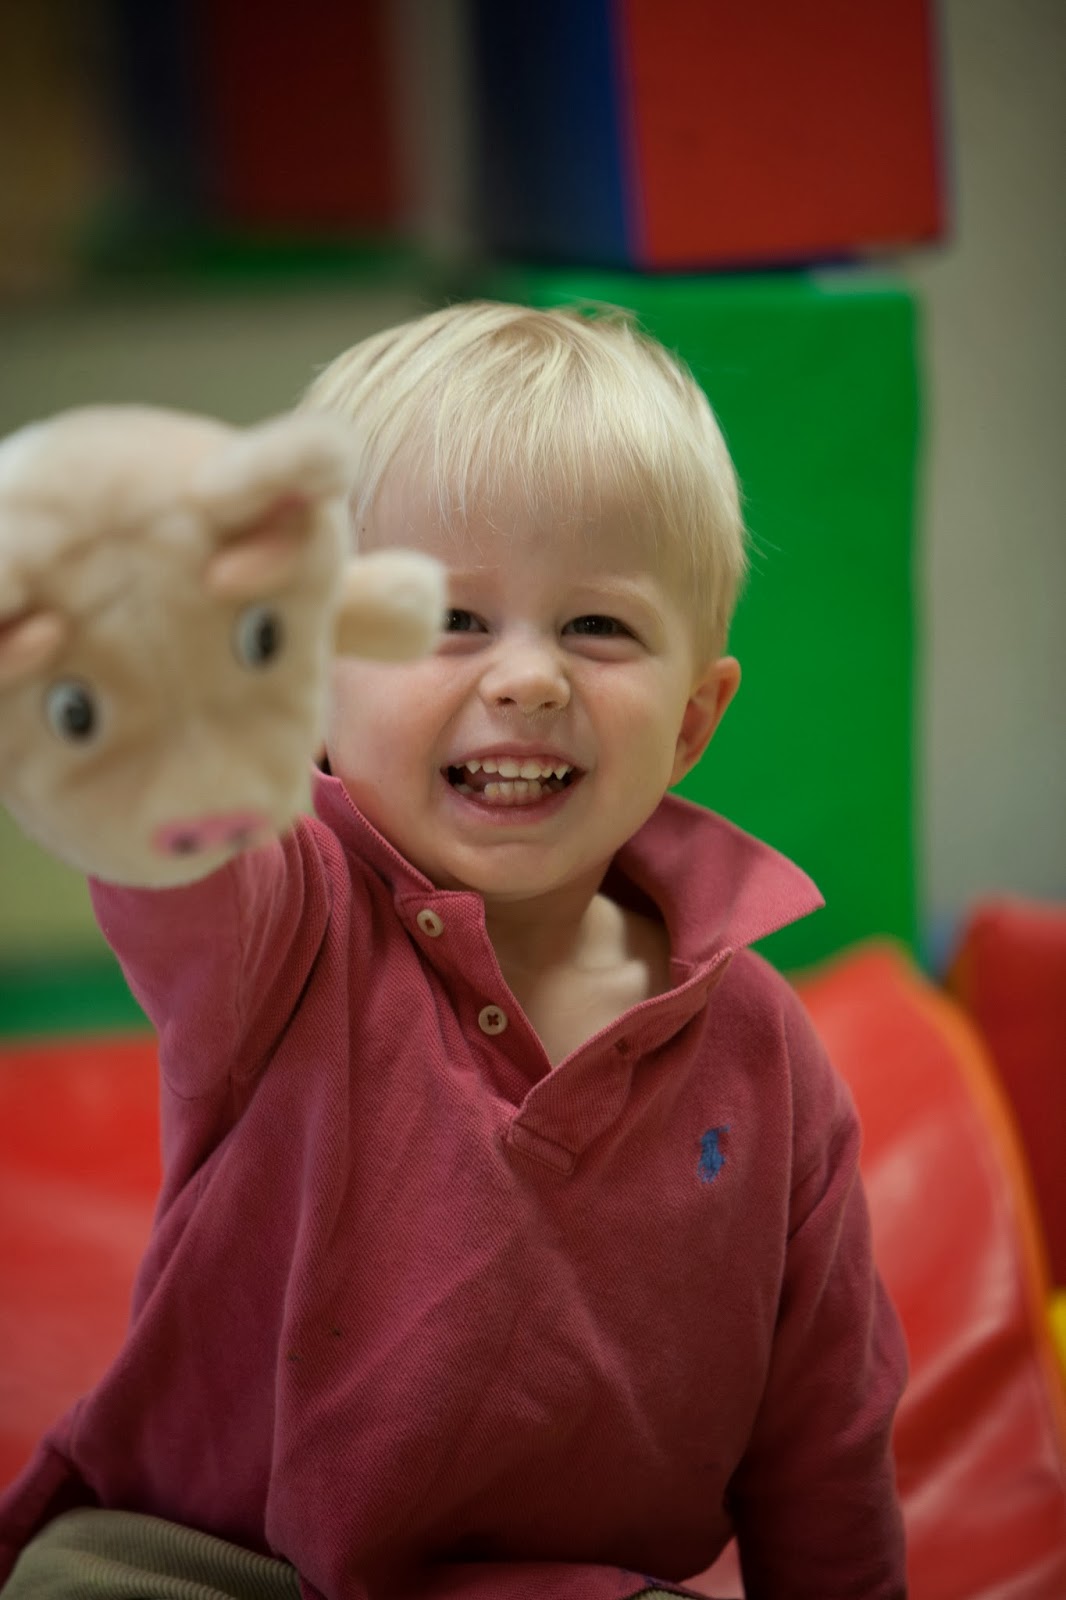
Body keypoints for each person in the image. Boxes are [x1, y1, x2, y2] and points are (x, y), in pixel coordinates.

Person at [0, 302, 907, 1599]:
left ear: (694, 721)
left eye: (597, 628)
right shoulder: (288, 917)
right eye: (447, 620)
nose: (527, 678)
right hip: (205, 1563)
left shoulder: (762, 1051)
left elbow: (824, 1439)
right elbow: (167, 851)